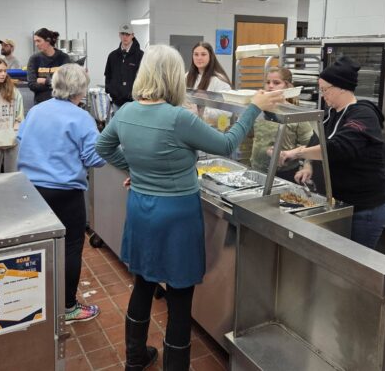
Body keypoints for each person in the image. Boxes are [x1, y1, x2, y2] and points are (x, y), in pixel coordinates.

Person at [96, 44, 283, 370]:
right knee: (179, 296)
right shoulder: (178, 117)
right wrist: (254, 106)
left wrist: (136, 171)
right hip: (177, 217)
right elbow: (227, 143)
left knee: (143, 283)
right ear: (172, 77)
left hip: (141, 210)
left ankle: (135, 359)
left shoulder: (126, 111)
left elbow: (103, 146)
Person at [17, 64, 108, 324]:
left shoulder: (36, 110)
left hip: (31, 190)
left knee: (37, 246)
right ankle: (68, 307)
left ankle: (35, 303)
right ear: (80, 90)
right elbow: (94, 159)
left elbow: (21, 139)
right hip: (65, 192)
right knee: (69, 247)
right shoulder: (81, 117)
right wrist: (108, 147)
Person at [280, 56, 385, 249]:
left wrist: (297, 153)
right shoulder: (331, 114)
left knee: (355, 259)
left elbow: (337, 149)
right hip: (341, 204)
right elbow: (316, 140)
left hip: (366, 208)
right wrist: (308, 166)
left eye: (325, 89)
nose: (322, 94)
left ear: (341, 87)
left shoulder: (363, 115)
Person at [250, 67, 313, 181]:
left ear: (287, 86)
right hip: (257, 168)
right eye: (268, 82)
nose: (270, 86)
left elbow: (311, 145)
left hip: (285, 173)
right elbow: (251, 135)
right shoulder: (258, 110)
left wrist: (307, 166)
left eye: (276, 83)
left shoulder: (294, 114)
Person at [185, 41, 232, 128]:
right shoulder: (187, 76)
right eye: (196, 54)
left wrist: (202, 111)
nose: (199, 58)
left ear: (210, 56)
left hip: (213, 129)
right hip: (191, 126)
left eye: (203, 54)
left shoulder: (219, 81)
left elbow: (227, 112)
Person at [104, 23, 144, 111]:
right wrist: (111, 92)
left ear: (132, 35)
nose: (125, 37)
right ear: (119, 35)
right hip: (116, 103)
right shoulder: (112, 56)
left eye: (127, 34)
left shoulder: (141, 56)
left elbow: (144, 78)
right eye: (122, 34)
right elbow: (108, 76)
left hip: (134, 103)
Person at [27, 28, 70, 104]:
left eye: (38, 41)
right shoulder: (34, 59)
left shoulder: (63, 58)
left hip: (61, 102)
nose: (36, 44)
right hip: (41, 103)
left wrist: (45, 81)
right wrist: (56, 84)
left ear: (48, 40)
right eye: (35, 41)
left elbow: (66, 83)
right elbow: (32, 85)